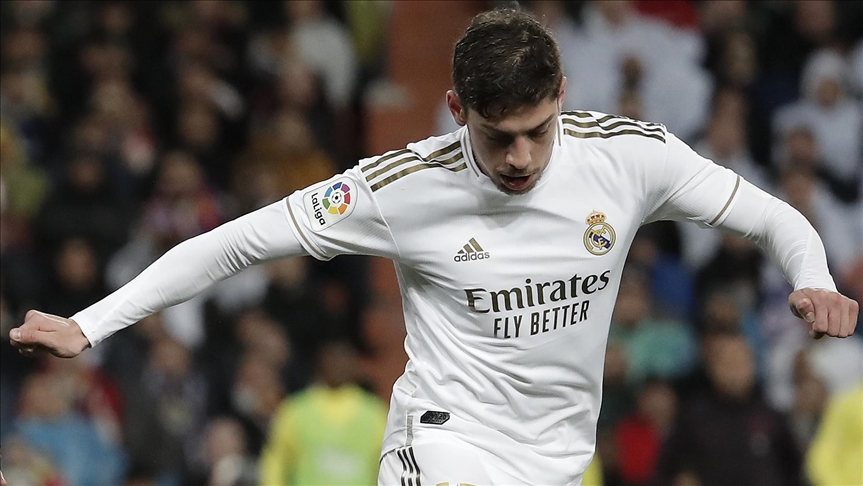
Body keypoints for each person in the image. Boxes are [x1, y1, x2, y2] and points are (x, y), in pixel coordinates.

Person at [7, 9, 858, 486]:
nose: (519, 158)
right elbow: (236, 243)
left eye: (537, 131)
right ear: (457, 110)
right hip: (443, 442)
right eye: (497, 136)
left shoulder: (628, 158)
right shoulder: (402, 187)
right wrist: (91, 323)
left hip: (557, 462)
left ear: (562, 96)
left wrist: (812, 276)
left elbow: (773, 218)